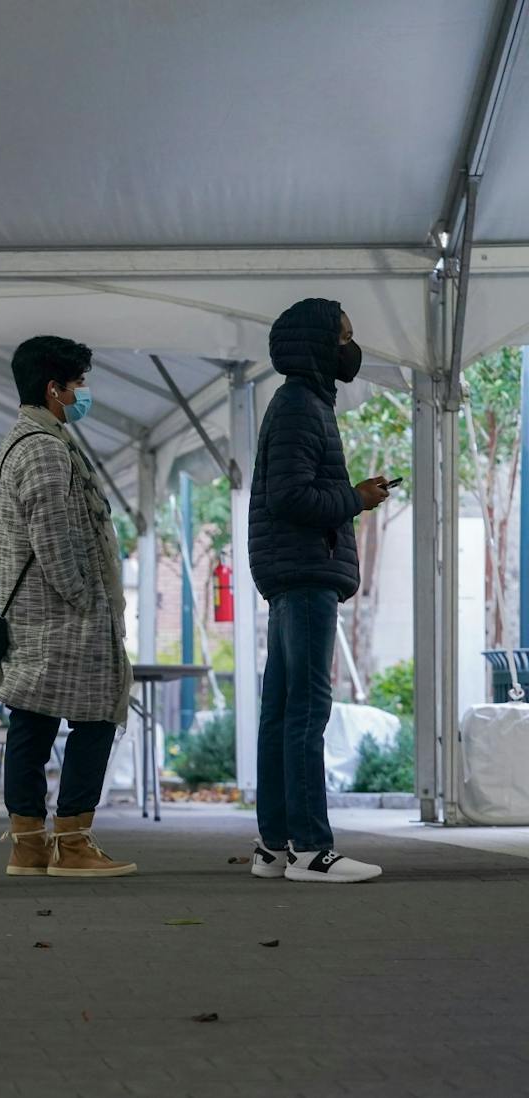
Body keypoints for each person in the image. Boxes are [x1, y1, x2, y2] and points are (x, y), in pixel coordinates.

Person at [248, 299, 388, 883]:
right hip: (306, 575)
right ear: (318, 346)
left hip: (293, 576)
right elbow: (292, 497)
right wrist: (356, 498)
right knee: (306, 712)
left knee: (281, 714)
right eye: (345, 338)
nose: (351, 349)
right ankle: (310, 849)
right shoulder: (303, 406)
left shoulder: (297, 403)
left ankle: (274, 847)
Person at [0, 335, 136, 879]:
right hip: (63, 621)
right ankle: (73, 844)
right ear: (54, 389)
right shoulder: (45, 448)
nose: (83, 394)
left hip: (37, 618)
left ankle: (29, 847)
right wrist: (84, 597)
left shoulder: (24, 441)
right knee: (95, 719)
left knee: (31, 723)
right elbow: (52, 535)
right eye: (78, 385)